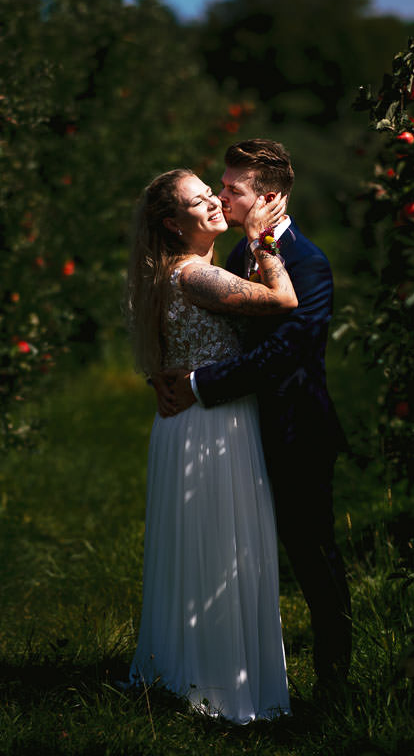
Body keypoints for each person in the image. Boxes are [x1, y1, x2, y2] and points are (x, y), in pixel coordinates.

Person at [156, 139, 352, 700]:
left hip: (295, 433)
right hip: (235, 433)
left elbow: (285, 350)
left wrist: (198, 385)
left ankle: (335, 686)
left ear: (266, 196)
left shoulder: (308, 263)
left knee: (312, 560)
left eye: (232, 189)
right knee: (233, 555)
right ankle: (228, 670)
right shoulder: (240, 251)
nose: (221, 195)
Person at [124, 167, 296, 723]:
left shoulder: (171, 272)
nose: (215, 205)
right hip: (210, 427)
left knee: (203, 553)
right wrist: (264, 238)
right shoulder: (196, 276)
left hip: (195, 422)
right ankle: (220, 689)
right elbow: (284, 299)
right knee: (220, 553)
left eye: (211, 195)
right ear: (174, 225)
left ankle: (189, 673)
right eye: (199, 203)